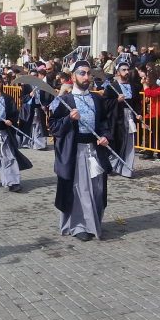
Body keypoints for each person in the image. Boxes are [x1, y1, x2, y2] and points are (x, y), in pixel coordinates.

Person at [49, 60, 113, 241]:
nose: (86, 77)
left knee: (97, 188)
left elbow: (104, 122)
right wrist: (69, 118)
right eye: (82, 73)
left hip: (94, 150)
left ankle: (94, 222)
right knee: (79, 188)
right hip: (73, 151)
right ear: (73, 76)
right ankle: (79, 226)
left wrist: (105, 136)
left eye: (88, 73)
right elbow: (53, 126)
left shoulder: (97, 99)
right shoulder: (64, 101)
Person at [105, 62, 140, 176]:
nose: (126, 72)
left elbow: (137, 103)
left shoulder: (133, 86)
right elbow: (105, 103)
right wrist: (116, 101)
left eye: (127, 69)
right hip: (117, 118)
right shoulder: (112, 87)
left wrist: (138, 114)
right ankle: (112, 165)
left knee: (130, 142)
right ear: (118, 72)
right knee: (116, 141)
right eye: (123, 70)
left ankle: (127, 169)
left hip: (130, 116)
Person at [18, 68, 51, 150]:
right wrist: (30, 94)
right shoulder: (26, 85)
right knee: (28, 125)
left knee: (39, 126)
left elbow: (46, 97)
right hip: (28, 108)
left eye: (35, 75)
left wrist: (45, 105)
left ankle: (39, 144)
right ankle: (26, 142)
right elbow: (22, 98)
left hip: (38, 107)